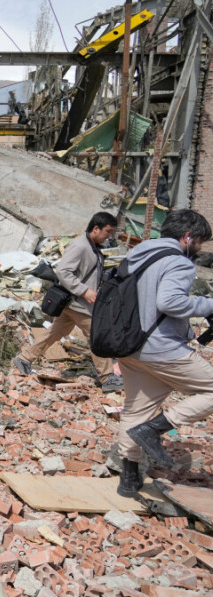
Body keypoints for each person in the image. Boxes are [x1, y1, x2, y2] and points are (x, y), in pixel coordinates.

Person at [115, 209, 213, 497]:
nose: (199, 248)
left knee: (136, 409)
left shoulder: (137, 254)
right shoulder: (179, 262)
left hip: (128, 346)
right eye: (199, 242)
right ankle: (155, 429)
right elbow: (170, 302)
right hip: (161, 347)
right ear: (187, 237)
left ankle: (129, 479)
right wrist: (208, 304)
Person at [12, 211, 123, 392]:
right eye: (108, 231)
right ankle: (107, 377)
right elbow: (63, 272)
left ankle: (24, 359)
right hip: (78, 303)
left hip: (75, 302)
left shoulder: (92, 246)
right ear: (96, 228)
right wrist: (84, 290)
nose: (109, 236)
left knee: (55, 333)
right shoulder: (80, 245)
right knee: (97, 336)